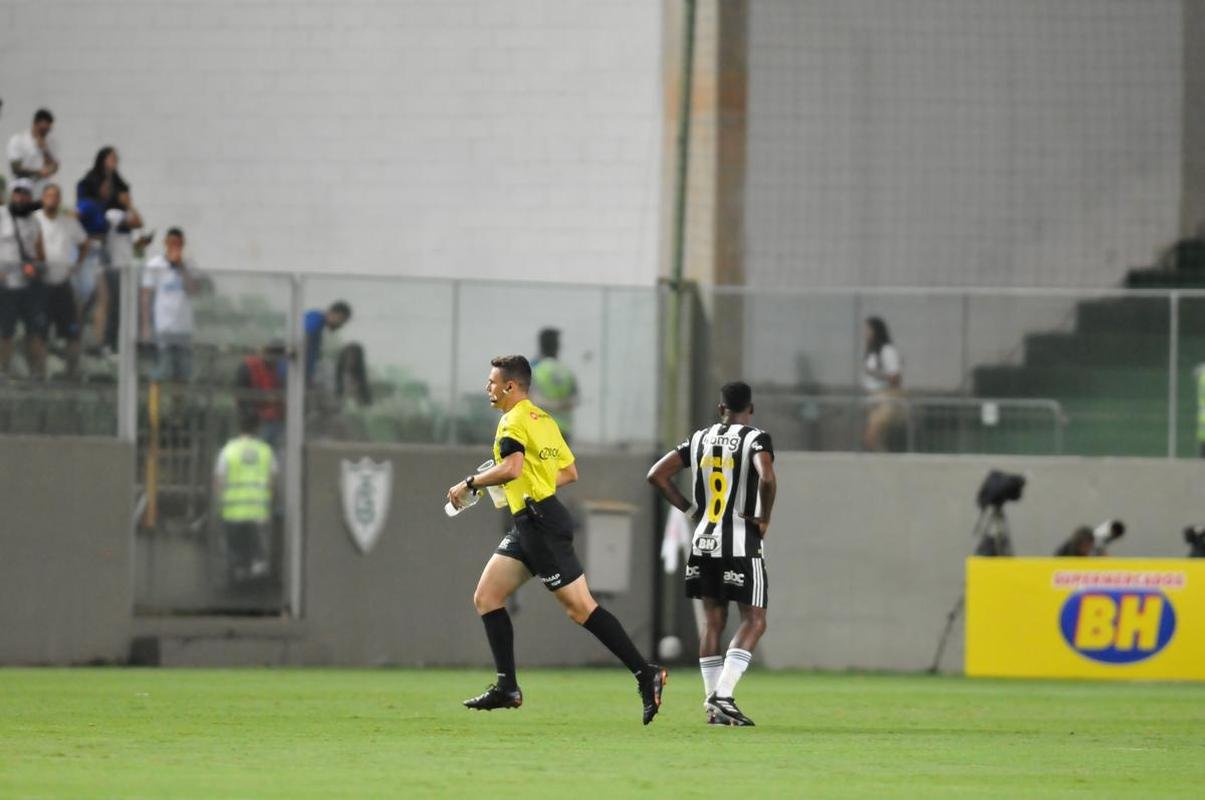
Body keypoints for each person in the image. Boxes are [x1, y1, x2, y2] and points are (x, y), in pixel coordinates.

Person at [445, 355, 666, 724]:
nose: (488, 388)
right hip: (532, 519)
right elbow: (568, 472)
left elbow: (512, 467)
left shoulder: (511, 422)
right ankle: (507, 687)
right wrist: (521, 484)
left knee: (581, 609)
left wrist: (470, 482)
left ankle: (646, 673)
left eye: (492, 382)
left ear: (510, 386)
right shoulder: (542, 419)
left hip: (541, 524)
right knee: (487, 597)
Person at [646, 381, 777, 727]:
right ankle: (723, 695)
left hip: (703, 540)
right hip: (740, 540)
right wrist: (764, 517)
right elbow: (766, 477)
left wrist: (692, 512)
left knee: (713, 622)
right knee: (755, 619)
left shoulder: (699, 438)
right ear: (750, 409)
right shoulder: (756, 438)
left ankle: (712, 704)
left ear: (721, 409)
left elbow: (657, 475)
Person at [213, 413, 278, 582]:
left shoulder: (228, 450)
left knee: (235, 553)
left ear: (239, 427)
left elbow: (219, 481)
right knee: (257, 556)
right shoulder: (266, 451)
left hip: (232, 513)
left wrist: (219, 504)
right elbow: (272, 482)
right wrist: (269, 504)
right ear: (258, 428)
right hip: (258, 513)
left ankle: (236, 585)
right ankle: (256, 590)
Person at [34, 184, 88, 377]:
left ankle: (70, 373)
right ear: (42, 197)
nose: (52, 199)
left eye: (56, 196)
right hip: (41, 284)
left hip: (63, 283)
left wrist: (77, 264)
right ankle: (39, 373)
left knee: (72, 332)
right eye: (48, 195)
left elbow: (84, 243)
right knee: (38, 332)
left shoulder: (68, 222)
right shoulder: (35, 220)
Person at [0, 179, 48, 378]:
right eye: (18, 192)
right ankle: (3, 370)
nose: (21, 197)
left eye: (26, 193)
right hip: (5, 284)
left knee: (35, 331)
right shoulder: (1, 215)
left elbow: (38, 251)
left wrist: (35, 266)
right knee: (5, 331)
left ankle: (37, 373)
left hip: (28, 285)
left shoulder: (34, 221)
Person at [140, 227, 200, 383]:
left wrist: (181, 267)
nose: (175, 247)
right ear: (165, 243)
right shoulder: (155, 264)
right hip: (163, 326)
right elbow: (146, 296)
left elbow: (193, 290)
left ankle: (178, 404)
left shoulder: (190, 265)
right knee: (162, 368)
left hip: (184, 327)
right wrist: (146, 326)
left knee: (183, 372)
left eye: (178, 244)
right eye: (171, 243)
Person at [861, 316, 904, 452]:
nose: (865, 333)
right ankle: (880, 460)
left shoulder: (887, 351)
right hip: (872, 398)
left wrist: (875, 373)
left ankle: (870, 456)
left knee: (872, 433)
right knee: (878, 438)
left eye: (868, 330)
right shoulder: (872, 351)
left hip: (886, 398)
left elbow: (895, 378)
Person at [235, 341, 288, 450]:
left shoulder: (277, 370)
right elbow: (242, 396)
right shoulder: (249, 366)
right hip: (258, 419)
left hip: (273, 419)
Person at [530, 327, 579, 442]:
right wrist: (560, 405)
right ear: (558, 347)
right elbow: (575, 399)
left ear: (540, 346)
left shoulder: (534, 369)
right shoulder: (566, 371)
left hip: (540, 428)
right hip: (563, 430)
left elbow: (528, 398)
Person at [7, 108, 58, 196]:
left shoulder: (50, 142)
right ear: (35, 124)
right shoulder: (18, 140)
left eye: (47, 130)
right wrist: (39, 172)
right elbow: (15, 168)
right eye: (43, 129)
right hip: (22, 190)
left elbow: (55, 166)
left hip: (42, 190)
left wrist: (44, 150)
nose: (45, 133)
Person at [303, 301, 351, 384]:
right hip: (293, 376)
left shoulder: (318, 324)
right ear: (332, 313)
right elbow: (304, 340)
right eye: (341, 320)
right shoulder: (315, 320)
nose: (340, 325)